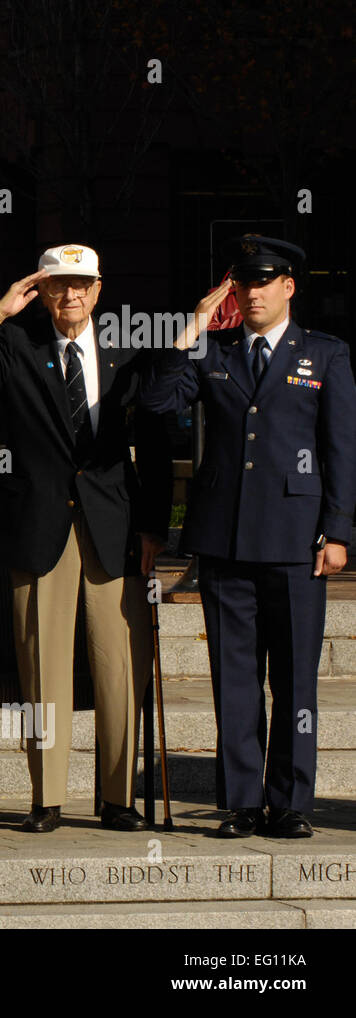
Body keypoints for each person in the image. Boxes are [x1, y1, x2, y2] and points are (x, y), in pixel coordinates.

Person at [0, 244, 172, 833]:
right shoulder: (17, 346)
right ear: (40, 292)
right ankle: (47, 799)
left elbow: (151, 441)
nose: (68, 296)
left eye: (79, 286)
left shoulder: (126, 351)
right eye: (55, 286)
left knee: (118, 660)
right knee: (41, 660)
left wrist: (153, 523)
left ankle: (118, 797)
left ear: (98, 289)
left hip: (113, 525)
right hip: (38, 524)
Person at [140, 236, 356, 838]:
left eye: (264, 282)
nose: (253, 292)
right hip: (226, 541)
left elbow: (342, 449)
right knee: (234, 679)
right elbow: (158, 402)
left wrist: (337, 531)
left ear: (289, 286)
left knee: (294, 681)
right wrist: (195, 325)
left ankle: (290, 802)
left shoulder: (326, 354)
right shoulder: (215, 351)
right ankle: (241, 800)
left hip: (295, 542)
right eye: (243, 283)